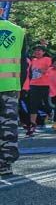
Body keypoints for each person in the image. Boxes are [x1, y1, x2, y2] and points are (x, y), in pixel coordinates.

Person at [0, 17, 26, 177]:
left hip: (11, 85)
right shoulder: (17, 31)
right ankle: (5, 164)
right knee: (8, 125)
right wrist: (20, 85)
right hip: (10, 85)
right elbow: (24, 62)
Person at [26, 46, 52, 136]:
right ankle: (32, 124)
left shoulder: (47, 59)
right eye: (35, 50)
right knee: (33, 104)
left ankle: (51, 112)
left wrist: (44, 71)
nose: (37, 52)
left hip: (45, 84)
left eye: (39, 50)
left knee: (46, 103)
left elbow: (52, 69)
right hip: (33, 84)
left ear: (43, 52)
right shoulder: (33, 60)